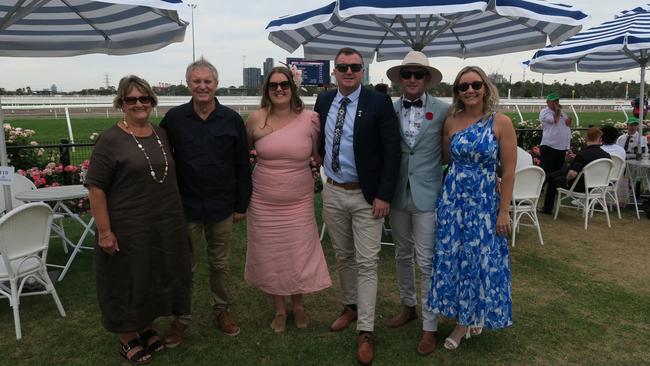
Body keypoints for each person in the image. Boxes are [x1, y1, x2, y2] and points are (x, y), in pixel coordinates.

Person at [86, 75, 191, 364]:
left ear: (152, 102)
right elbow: (96, 188)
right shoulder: (111, 140)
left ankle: (145, 328)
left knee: (152, 276)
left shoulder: (160, 133)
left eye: (144, 99)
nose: (138, 104)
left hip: (161, 225)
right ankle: (126, 336)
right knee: (126, 280)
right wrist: (105, 231)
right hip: (126, 225)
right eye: (131, 99)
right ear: (121, 103)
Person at [313, 47, 401, 365]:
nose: (349, 71)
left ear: (362, 71)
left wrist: (384, 195)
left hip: (367, 196)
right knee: (343, 256)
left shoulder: (378, 103)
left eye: (354, 67)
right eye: (343, 67)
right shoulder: (324, 101)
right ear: (335, 71)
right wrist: (319, 160)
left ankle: (366, 330)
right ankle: (350, 306)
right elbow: (320, 141)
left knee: (367, 263)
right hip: (334, 192)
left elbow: (393, 153)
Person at [160, 58, 252, 342]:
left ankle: (221, 310)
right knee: (184, 265)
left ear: (216, 84)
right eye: (197, 81)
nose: (202, 86)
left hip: (222, 206)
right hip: (185, 207)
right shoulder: (174, 119)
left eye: (207, 81)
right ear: (188, 84)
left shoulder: (232, 120)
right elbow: (162, 160)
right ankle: (181, 319)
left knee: (220, 265)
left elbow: (241, 166)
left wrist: (240, 204)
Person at [427, 66, 517, 351]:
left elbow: (510, 170)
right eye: (463, 86)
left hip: (484, 203)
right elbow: (444, 159)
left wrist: (504, 211)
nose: (469, 90)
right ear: (457, 92)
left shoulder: (500, 122)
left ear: (486, 87)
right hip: (453, 202)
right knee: (454, 259)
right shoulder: (451, 122)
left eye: (475, 85)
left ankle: (464, 323)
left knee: (480, 261)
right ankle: (468, 313)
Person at [244, 66, 331, 334]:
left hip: (300, 200)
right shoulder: (255, 120)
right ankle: (280, 310)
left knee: (298, 252)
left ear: (292, 88)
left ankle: (298, 305)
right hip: (263, 201)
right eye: (273, 85)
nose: (279, 89)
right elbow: (243, 159)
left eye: (284, 84)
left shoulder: (311, 119)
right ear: (266, 90)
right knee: (272, 254)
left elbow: (318, 154)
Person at [383, 50, 447, 355]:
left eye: (417, 74)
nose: (411, 79)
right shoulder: (388, 109)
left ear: (427, 79)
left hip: (428, 194)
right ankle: (408, 306)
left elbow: (450, 149)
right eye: (406, 74)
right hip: (396, 194)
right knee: (401, 255)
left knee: (427, 260)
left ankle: (429, 325)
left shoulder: (444, 111)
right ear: (399, 79)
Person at [541, 127, 611, 214]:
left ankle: (547, 208)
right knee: (553, 175)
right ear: (600, 139)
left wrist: (566, 180)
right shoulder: (607, 155)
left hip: (581, 186)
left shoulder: (582, 155)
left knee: (553, 180)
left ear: (587, 138)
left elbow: (572, 173)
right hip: (598, 186)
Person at [539, 92, 572, 175]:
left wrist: (569, 120)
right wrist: (558, 111)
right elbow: (554, 120)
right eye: (553, 101)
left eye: (557, 101)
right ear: (547, 102)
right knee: (545, 172)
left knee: (557, 172)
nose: (556, 103)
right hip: (550, 147)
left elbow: (567, 124)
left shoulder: (561, 112)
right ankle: (540, 187)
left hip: (561, 147)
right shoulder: (545, 112)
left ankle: (553, 188)